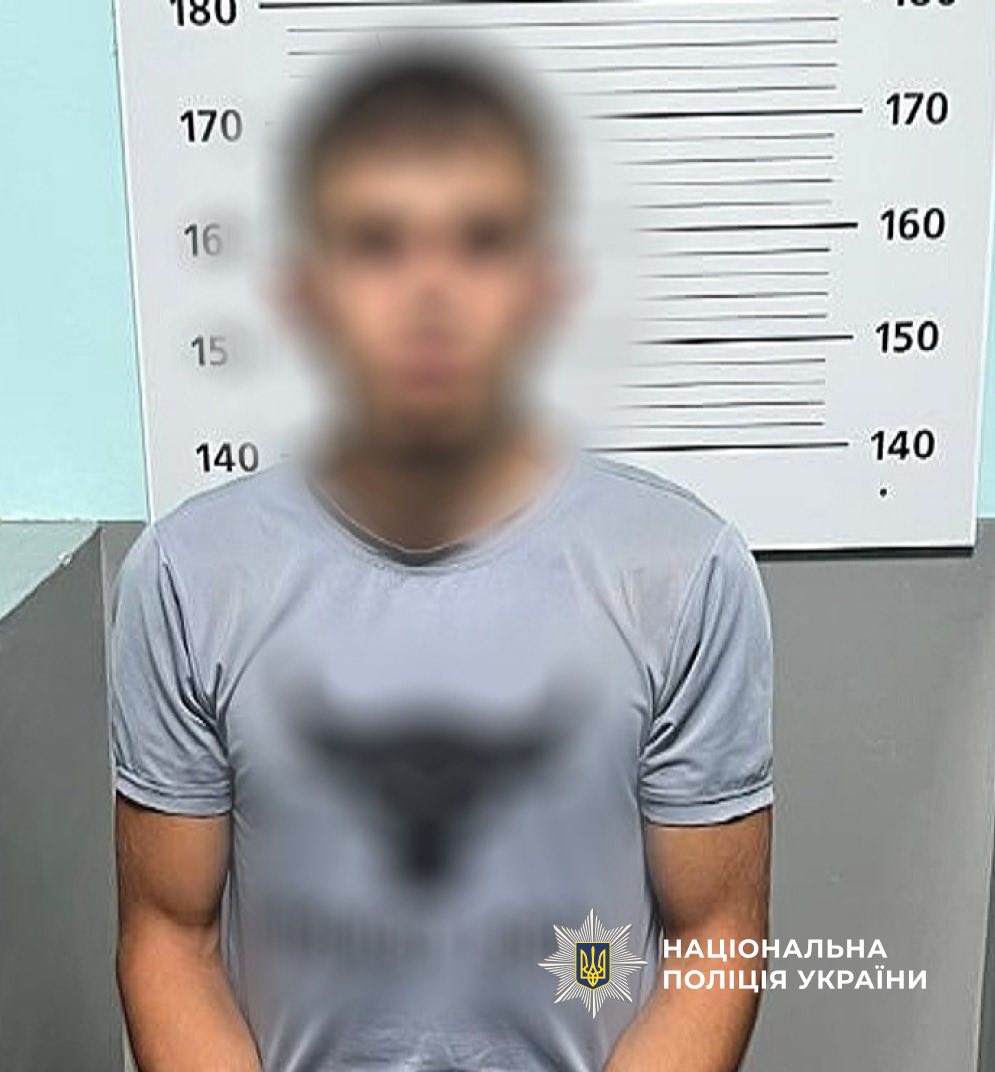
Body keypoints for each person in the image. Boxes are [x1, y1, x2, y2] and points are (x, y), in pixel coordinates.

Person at [111, 47, 773, 1072]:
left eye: (481, 241)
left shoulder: (685, 572)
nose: (430, 292)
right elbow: (168, 937)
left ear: (543, 287)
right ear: (307, 290)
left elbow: (713, 944)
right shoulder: (187, 577)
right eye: (376, 244)